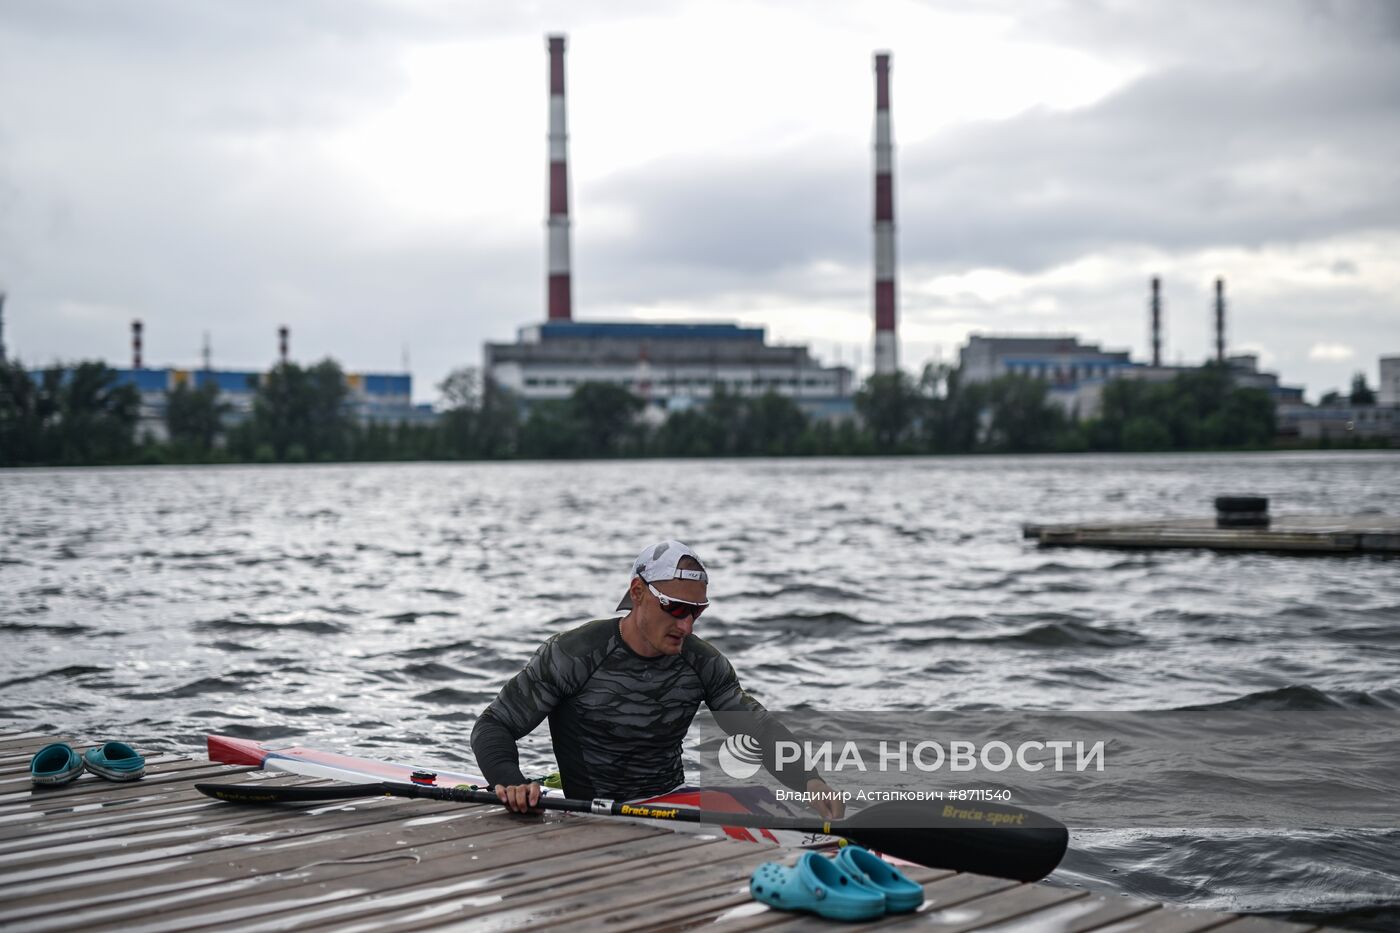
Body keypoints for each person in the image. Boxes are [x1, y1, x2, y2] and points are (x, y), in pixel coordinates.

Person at [470, 540, 844, 820]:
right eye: (676, 609)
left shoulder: (702, 662)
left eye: (696, 612)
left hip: (671, 805)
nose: (686, 625)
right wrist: (510, 781)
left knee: (765, 801)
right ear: (638, 593)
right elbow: (493, 726)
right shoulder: (574, 653)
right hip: (591, 814)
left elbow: (758, 730)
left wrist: (808, 780)